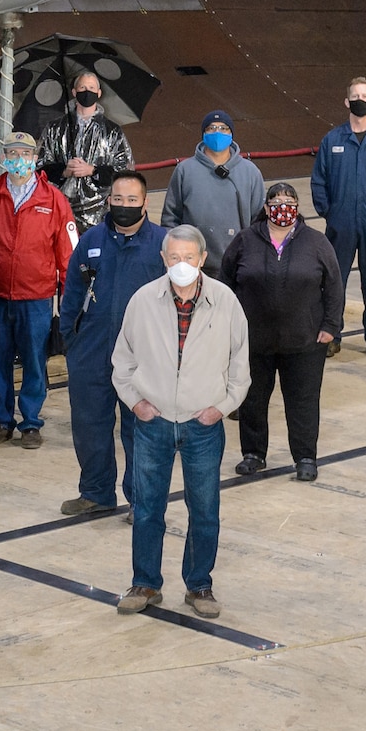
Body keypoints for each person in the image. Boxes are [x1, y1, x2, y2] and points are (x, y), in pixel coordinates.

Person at [110, 225, 251, 620]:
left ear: (203, 259)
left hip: (202, 425)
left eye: (190, 258)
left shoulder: (225, 302)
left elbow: (241, 365)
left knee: (204, 509)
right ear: (163, 259)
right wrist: (136, 403)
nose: (182, 265)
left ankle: (199, 585)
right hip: (152, 422)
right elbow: (123, 361)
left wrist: (222, 407)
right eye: (174, 258)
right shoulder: (143, 301)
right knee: (147, 507)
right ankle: (145, 583)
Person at [0, 131, 76, 449]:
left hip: (36, 297)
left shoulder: (54, 200)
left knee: (35, 361)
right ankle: (0, 421)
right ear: (2, 158)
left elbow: (68, 253)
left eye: (25, 154)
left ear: (35, 159)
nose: (19, 160)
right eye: (12, 153)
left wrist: (70, 297)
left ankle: (31, 423)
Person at [57, 169, 164, 515]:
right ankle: (96, 493)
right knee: (90, 426)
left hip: (142, 357)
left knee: (140, 430)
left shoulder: (162, 245)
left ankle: (141, 500)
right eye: (118, 199)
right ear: (108, 201)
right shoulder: (91, 240)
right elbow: (71, 290)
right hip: (91, 352)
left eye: (132, 200)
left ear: (145, 203)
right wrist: (71, 341)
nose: (124, 206)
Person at [221, 182, 343, 480]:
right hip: (254, 340)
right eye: (275, 201)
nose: (282, 206)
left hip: (304, 341)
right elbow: (226, 283)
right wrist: (227, 327)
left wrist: (330, 326)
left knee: (302, 401)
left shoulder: (316, 242)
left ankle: (305, 457)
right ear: (265, 208)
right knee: (252, 399)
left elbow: (334, 286)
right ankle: (253, 453)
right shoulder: (244, 240)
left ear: (298, 208)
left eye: (288, 200)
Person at [311, 76, 366, 359]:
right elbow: (319, 179)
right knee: (334, 280)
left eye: (365, 95)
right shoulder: (333, 140)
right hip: (341, 223)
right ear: (347, 102)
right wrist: (329, 211)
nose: (360, 99)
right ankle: (332, 335)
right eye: (355, 95)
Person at [161, 110, 263, 275]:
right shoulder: (184, 170)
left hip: (237, 265)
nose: (217, 132)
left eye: (224, 128)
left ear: (232, 134)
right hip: (192, 265)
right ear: (203, 133)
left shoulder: (250, 172)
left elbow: (259, 222)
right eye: (211, 128)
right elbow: (170, 218)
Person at [38, 66, 133, 228]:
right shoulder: (55, 128)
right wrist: (63, 171)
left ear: (99, 93)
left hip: (100, 212)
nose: (87, 91)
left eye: (91, 88)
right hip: (61, 211)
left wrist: (93, 171)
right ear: (74, 92)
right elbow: (40, 167)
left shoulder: (112, 131)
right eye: (82, 88)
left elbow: (125, 171)